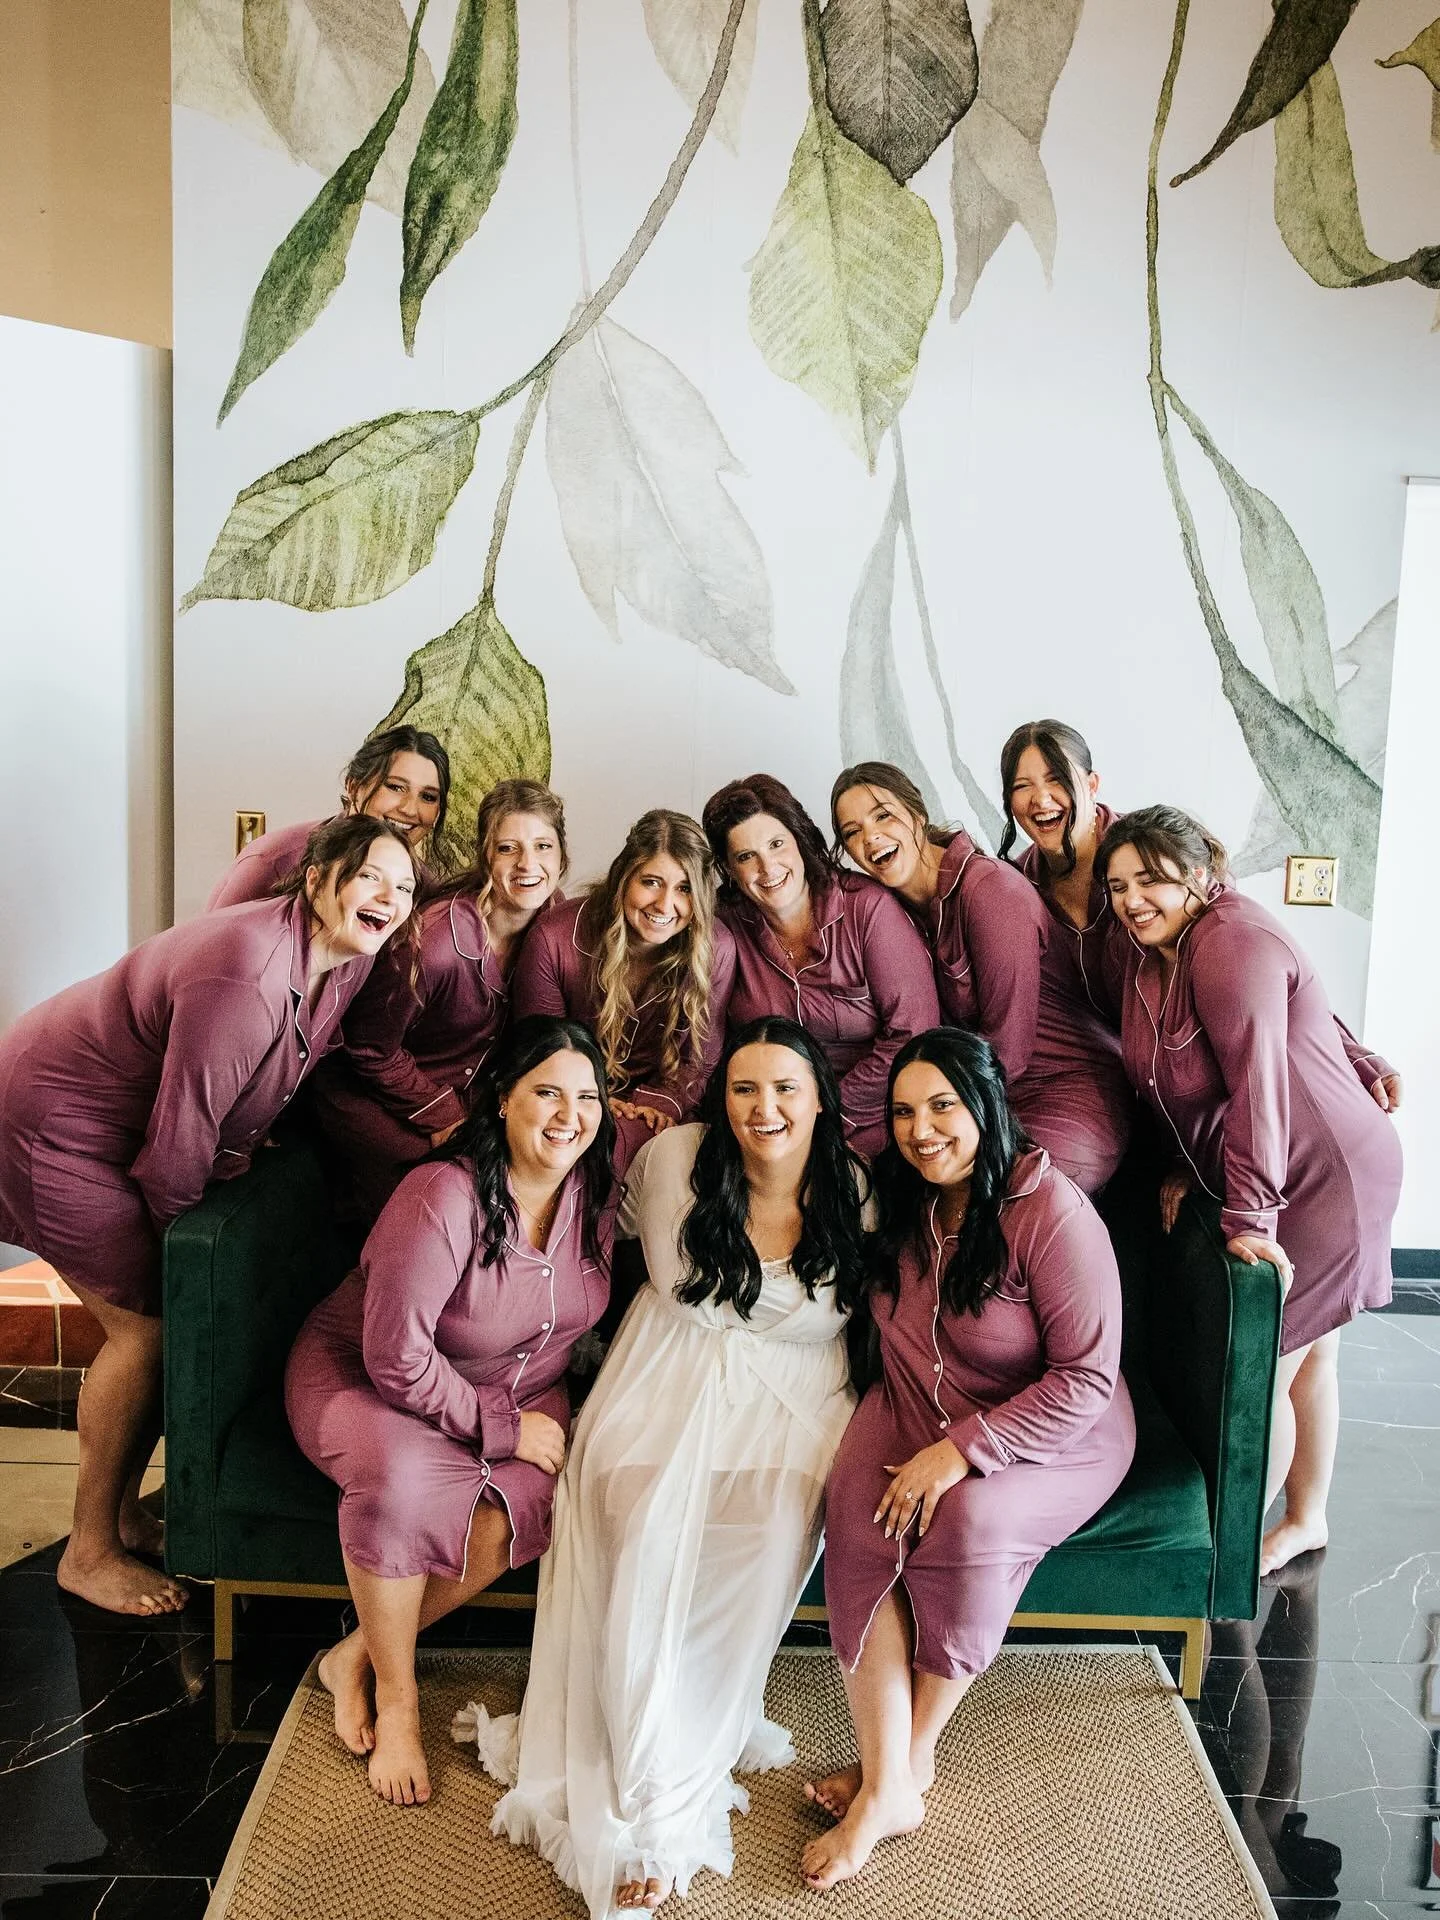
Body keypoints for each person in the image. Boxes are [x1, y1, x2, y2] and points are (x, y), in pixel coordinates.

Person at [467, 1018, 869, 1916]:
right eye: (743, 1088)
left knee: (767, 1534)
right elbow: (565, 1221)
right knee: (638, 1524)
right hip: (662, 1378)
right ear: (719, 1099)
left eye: (786, 1088)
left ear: (820, 1100)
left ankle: (678, 1772)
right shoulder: (674, 1161)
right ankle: (638, 1788)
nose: (764, 1108)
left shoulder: (856, 1189)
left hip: (795, 1405)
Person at [0, 816, 417, 1616]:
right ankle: (88, 1550)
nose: (389, 899)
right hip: (53, 1120)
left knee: (163, 1327)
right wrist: (197, 1275)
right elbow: (174, 1154)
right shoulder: (246, 972)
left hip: (117, 1126)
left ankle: (124, 1511)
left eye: (403, 887)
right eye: (371, 876)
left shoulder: (348, 962)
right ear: (318, 878)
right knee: (149, 1333)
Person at [806, 1027, 1134, 1891]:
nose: (922, 1131)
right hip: (917, 1397)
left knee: (969, 1518)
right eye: (904, 1112)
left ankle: (902, 1772)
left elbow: (1086, 1379)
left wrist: (961, 1453)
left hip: (1056, 1427)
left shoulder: (1053, 1213)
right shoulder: (901, 1194)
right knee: (854, 1508)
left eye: (943, 1106)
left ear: (987, 1104)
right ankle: (891, 1773)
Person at [285, 1016, 618, 1808]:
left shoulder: (592, 1190)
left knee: (532, 1501)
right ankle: (398, 1702)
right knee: (400, 1484)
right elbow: (396, 1357)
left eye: (587, 1098)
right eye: (547, 1093)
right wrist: (505, 1428)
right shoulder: (442, 1194)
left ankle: (355, 1655)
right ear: (502, 1099)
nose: (569, 1116)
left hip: (520, 1387)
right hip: (373, 1379)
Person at [1098, 805, 1403, 1576]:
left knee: (1263, 1371)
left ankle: (1225, 1565)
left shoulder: (1229, 941)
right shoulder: (1153, 955)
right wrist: (1190, 1165)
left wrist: (1249, 1219)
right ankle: (1306, 1519)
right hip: (1287, 1165)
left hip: (1326, 1176)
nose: (1132, 899)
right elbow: (1205, 1066)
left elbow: (1259, 1082)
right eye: (1118, 885)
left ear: (1200, 872)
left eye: (1150, 879)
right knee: (1309, 1356)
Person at [311, 780, 567, 1215]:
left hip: (464, 1093)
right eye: (508, 848)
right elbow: (368, 1048)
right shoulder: (435, 943)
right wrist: (443, 1114)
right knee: (441, 1194)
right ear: (485, 856)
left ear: (562, 855)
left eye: (543, 846)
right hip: (372, 1092)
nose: (528, 864)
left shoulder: (553, 922)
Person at [702, 774, 938, 1158]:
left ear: (800, 840)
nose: (767, 867)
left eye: (776, 844)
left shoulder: (867, 908)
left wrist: (823, 1111)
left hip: (868, 1117)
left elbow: (913, 1034)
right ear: (729, 869)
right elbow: (709, 1043)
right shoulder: (723, 929)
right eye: (746, 856)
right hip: (765, 1120)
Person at [512, 810, 735, 1171]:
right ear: (623, 876)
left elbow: (702, 1059)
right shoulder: (554, 937)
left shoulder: (716, 947)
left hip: (662, 1109)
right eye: (651, 882)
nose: (665, 904)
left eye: (684, 889)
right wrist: (595, 1097)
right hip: (570, 1098)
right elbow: (541, 1049)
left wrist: (659, 1102)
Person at [830, 761, 1050, 1088]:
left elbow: (1008, 1051)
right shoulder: (889, 915)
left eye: (883, 816)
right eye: (852, 831)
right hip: (973, 1086)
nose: (870, 837)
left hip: (1049, 1080)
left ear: (917, 813)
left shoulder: (990, 890)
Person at [995, 720, 1135, 1191]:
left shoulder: (1145, 856)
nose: (1041, 799)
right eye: (1022, 786)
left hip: (1171, 1073)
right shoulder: (1016, 887)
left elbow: (1224, 936)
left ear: (1091, 785)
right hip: (1091, 1082)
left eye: (1056, 779)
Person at [205, 725, 449, 908]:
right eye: (395, 787)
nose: (410, 809)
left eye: (428, 797)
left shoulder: (425, 889)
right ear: (353, 786)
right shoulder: (273, 862)